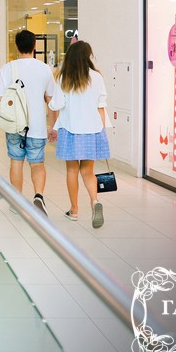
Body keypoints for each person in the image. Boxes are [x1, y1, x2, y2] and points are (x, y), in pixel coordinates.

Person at [0, 30, 60, 216]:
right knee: (37, 163)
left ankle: (17, 201)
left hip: (15, 125)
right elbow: (51, 100)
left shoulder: (8, 68)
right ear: (35, 46)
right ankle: (38, 196)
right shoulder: (44, 69)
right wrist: (53, 126)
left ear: (17, 46)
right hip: (37, 126)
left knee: (16, 161)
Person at [49, 41, 109, 229]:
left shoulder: (63, 77)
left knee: (72, 171)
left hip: (70, 130)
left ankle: (74, 210)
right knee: (88, 171)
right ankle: (95, 200)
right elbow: (101, 106)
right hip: (92, 130)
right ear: (88, 56)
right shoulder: (97, 77)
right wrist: (102, 131)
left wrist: (51, 109)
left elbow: (56, 105)